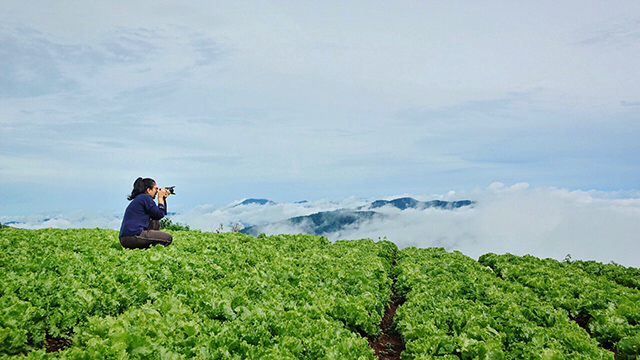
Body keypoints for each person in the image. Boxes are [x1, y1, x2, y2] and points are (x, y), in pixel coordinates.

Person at [119, 177, 173, 249]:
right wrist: (160, 198)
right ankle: (148, 248)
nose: (157, 191)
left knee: (155, 221)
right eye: (155, 189)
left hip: (125, 238)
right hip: (134, 236)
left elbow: (158, 215)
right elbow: (159, 214)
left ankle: (145, 248)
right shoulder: (145, 197)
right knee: (168, 238)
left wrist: (163, 199)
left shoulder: (140, 198)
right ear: (148, 190)